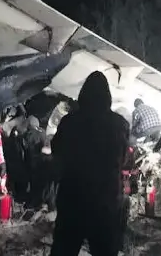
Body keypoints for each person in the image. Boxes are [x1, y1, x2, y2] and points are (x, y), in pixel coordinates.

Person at [50, 71, 130, 256]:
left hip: (73, 198)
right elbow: (123, 159)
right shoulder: (120, 125)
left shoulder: (69, 122)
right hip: (106, 201)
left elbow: (57, 151)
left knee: (64, 249)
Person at [24, 115, 49, 209]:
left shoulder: (29, 134)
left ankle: (33, 203)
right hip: (43, 162)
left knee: (33, 184)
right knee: (41, 184)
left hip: (33, 162)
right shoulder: (43, 132)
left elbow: (26, 149)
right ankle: (41, 202)